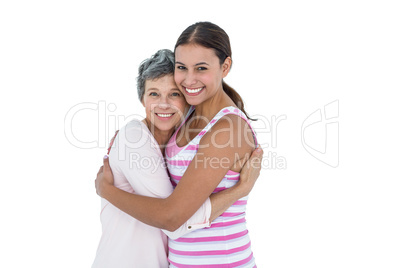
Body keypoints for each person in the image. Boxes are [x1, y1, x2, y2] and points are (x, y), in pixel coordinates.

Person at [92, 49, 263, 267]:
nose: (163, 104)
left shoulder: (178, 139)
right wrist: (240, 189)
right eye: (154, 94)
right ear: (142, 100)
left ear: (188, 100)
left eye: (174, 94)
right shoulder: (134, 139)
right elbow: (174, 220)